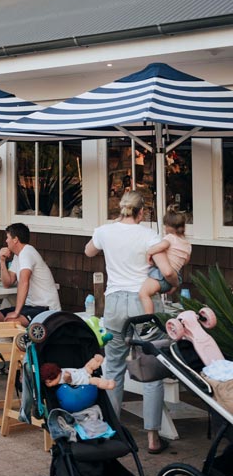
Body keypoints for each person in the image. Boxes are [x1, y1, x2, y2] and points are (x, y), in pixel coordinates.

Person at [84, 190, 179, 454]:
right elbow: (168, 270)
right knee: (151, 370)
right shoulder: (149, 236)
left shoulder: (105, 231)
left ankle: (113, 431)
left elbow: (89, 251)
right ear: (141, 212)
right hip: (142, 303)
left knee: (113, 368)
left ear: (121, 209)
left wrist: (104, 239)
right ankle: (152, 438)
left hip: (113, 304)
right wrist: (173, 284)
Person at [0, 222, 60, 326]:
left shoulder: (27, 252)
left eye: (8, 237)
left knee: (10, 322)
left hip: (46, 308)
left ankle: (18, 342)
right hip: (30, 307)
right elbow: (7, 283)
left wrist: (16, 312)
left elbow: (24, 282)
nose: (6, 241)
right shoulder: (18, 256)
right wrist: (2, 261)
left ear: (15, 239)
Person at [139, 205, 191, 314]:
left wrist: (149, 252)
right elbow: (185, 261)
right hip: (174, 278)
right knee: (154, 293)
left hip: (160, 276)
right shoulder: (188, 245)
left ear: (168, 227)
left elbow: (161, 246)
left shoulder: (170, 238)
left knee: (144, 293)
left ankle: (149, 319)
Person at [40, 354, 116, 390]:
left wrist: (67, 376)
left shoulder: (61, 374)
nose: (48, 384)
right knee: (97, 381)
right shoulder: (61, 379)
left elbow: (68, 378)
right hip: (84, 380)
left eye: (49, 382)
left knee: (89, 365)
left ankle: (97, 360)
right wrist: (68, 377)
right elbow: (69, 381)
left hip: (82, 371)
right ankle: (108, 384)